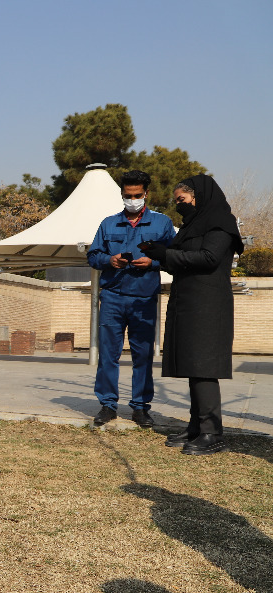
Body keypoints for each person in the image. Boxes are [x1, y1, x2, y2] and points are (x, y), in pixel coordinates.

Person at [140, 175, 244, 456]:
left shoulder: (221, 223)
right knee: (192, 365)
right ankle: (197, 426)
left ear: (198, 195)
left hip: (209, 304)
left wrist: (167, 255)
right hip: (187, 300)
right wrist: (157, 256)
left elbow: (209, 258)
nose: (179, 205)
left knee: (204, 367)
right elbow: (181, 261)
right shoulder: (191, 227)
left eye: (182, 200)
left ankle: (213, 432)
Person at [86, 170, 177, 428]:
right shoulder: (108, 224)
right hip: (112, 297)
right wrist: (109, 260)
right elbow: (93, 256)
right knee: (108, 355)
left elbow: (174, 257)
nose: (132, 200)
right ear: (122, 194)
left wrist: (153, 262)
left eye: (137, 195)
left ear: (146, 193)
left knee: (143, 355)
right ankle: (107, 405)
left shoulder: (162, 224)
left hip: (144, 298)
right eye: (128, 195)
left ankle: (140, 407)